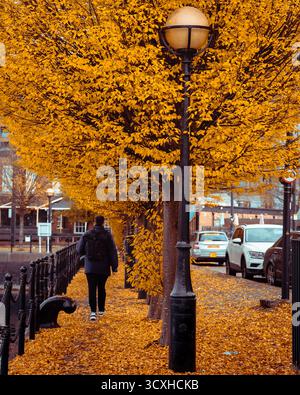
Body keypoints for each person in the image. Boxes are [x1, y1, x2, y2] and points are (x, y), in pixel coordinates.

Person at [77, 215, 118, 321]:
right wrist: (114, 266)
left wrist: (83, 256)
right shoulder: (107, 235)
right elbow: (112, 251)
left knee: (91, 288)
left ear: (94, 222)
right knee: (101, 287)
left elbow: (79, 248)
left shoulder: (87, 234)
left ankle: (93, 312)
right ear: (103, 222)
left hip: (90, 266)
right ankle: (101, 309)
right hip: (103, 266)